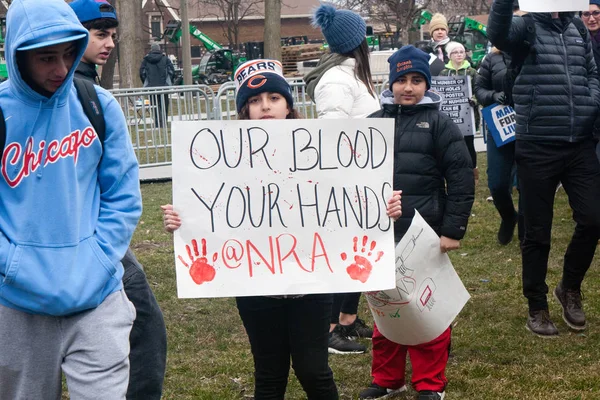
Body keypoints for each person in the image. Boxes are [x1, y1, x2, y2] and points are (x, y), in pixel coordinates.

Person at [162, 59, 397, 399]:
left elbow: (352, 198)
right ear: (245, 111)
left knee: (313, 369)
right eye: (255, 101)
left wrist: (383, 207)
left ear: (289, 106)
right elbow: (208, 209)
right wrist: (181, 221)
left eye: (274, 98)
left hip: (312, 283)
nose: (265, 106)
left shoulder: (321, 149)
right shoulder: (224, 158)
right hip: (255, 283)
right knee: (269, 375)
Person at [0, 0, 142, 398]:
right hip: (16, 306)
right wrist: (12, 265)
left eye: (68, 54)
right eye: (46, 58)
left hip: (97, 299)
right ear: (17, 54)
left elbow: (123, 194)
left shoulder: (97, 105)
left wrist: (99, 258)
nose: (61, 69)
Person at [359, 45, 475, 400]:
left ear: (427, 84)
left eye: (416, 80)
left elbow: (460, 177)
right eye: (401, 80)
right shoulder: (372, 124)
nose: (408, 88)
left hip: (424, 234)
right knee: (386, 310)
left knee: (426, 309)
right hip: (380, 235)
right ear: (390, 83)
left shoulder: (440, 124)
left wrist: (452, 229)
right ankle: (388, 378)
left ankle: (429, 383)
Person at [69, 0, 168, 398]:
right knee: (144, 327)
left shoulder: (92, 91)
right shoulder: (77, 92)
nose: (109, 42)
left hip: (100, 237)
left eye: (112, 34)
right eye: (99, 34)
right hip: (95, 241)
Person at [488, 0, 600, 337]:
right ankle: (536, 305)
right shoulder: (526, 25)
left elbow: (591, 71)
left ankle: (569, 287)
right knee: (536, 231)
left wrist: (591, 100)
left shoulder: (578, 26)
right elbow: (498, 32)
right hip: (537, 142)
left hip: (579, 142)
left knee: (594, 218)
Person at [305, 3, 382, 355]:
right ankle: (329, 328)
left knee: (359, 253)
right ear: (357, 42)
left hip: (365, 179)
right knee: (342, 254)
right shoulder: (336, 80)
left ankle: (348, 320)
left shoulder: (350, 74)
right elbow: (333, 135)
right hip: (347, 182)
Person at [474, 2, 524, 246]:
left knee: (528, 181)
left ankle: (527, 227)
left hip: (529, 124)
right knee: (497, 182)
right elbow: (479, 88)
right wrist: (493, 96)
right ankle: (508, 216)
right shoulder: (491, 58)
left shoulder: (534, 52)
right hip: (501, 127)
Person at [439, 41, 480, 184]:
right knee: (453, 144)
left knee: (469, 144)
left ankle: (473, 171)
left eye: (461, 52)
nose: (459, 55)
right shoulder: (444, 73)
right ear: (450, 55)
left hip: (469, 116)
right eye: (455, 52)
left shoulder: (472, 72)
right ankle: (455, 170)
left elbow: (478, 90)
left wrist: (474, 99)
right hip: (452, 116)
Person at [580, 0, 600, 160]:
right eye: (586, 14)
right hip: (587, 111)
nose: (592, 18)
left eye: (596, 13)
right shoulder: (576, 43)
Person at [139, 42, 174, 128]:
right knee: (164, 105)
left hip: (151, 87)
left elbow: (141, 73)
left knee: (154, 106)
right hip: (164, 87)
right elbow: (172, 71)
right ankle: (164, 123)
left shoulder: (146, 60)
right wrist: (169, 82)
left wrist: (146, 82)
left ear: (151, 49)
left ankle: (157, 123)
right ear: (159, 49)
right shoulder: (165, 59)